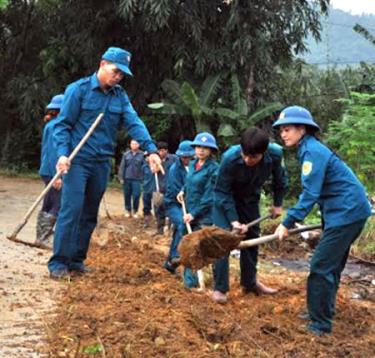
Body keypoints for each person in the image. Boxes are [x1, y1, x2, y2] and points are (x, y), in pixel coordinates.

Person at [48, 47, 161, 279]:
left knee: (90, 213)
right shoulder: (77, 90)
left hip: (102, 163)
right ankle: (58, 263)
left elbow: (134, 122)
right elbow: (63, 126)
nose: (118, 76)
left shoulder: (119, 96)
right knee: (72, 209)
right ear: (102, 64)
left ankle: (77, 261)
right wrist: (61, 154)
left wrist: (150, 149)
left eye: (122, 74)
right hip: (78, 161)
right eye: (115, 71)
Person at [272, 105, 372, 336]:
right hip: (343, 212)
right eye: (281, 130)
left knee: (320, 266)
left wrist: (287, 222)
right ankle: (321, 310)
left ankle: (320, 325)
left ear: (302, 129)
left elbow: (310, 194)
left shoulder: (312, 152)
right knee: (331, 265)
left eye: (287, 129)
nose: (283, 134)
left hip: (346, 213)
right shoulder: (308, 149)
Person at [212, 127, 288, 304]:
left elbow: (280, 180)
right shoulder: (229, 158)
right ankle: (220, 288)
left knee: (252, 239)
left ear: (263, 152)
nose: (247, 160)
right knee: (223, 239)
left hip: (250, 199)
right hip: (225, 200)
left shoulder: (275, 154)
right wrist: (233, 220)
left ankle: (249, 282)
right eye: (244, 155)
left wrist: (278, 204)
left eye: (253, 157)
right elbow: (222, 191)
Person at [177, 132, 219, 288]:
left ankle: (216, 283)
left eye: (205, 148)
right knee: (189, 248)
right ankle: (190, 283)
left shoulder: (214, 169)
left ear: (211, 151)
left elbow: (209, 197)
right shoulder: (193, 164)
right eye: (199, 147)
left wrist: (194, 214)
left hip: (204, 216)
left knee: (204, 249)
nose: (201, 150)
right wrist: (182, 191)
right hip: (189, 211)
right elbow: (189, 182)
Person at [36, 94, 64, 248]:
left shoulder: (50, 124)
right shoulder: (57, 126)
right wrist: (57, 176)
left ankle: (40, 236)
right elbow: (54, 151)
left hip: (46, 169)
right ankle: (45, 237)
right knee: (57, 203)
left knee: (48, 202)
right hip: (53, 170)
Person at [163, 140, 195, 273]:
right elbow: (177, 192)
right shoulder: (174, 169)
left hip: (189, 205)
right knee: (182, 224)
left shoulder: (195, 166)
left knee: (179, 230)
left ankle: (170, 262)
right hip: (174, 204)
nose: (185, 159)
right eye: (183, 157)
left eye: (188, 157)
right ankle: (176, 256)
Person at [154, 141, 178, 235]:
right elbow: (151, 170)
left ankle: (170, 230)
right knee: (158, 209)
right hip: (159, 188)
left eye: (163, 150)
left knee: (171, 209)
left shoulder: (174, 159)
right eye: (159, 151)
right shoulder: (155, 160)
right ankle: (159, 230)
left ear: (166, 151)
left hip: (171, 188)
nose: (161, 153)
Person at [118, 139, 144, 218]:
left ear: (138, 145)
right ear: (130, 145)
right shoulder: (126, 155)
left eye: (135, 144)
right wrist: (121, 177)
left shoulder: (142, 155)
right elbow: (122, 167)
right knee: (127, 195)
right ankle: (128, 210)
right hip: (127, 178)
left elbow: (144, 167)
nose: (134, 145)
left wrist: (143, 178)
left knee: (136, 195)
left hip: (137, 179)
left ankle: (135, 211)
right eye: (132, 144)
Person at [142, 151, 154, 228]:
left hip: (156, 189)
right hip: (146, 188)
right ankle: (147, 221)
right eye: (146, 156)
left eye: (148, 156)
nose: (147, 158)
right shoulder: (144, 167)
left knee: (158, 206)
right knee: (146, 205)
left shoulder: (158, 166)